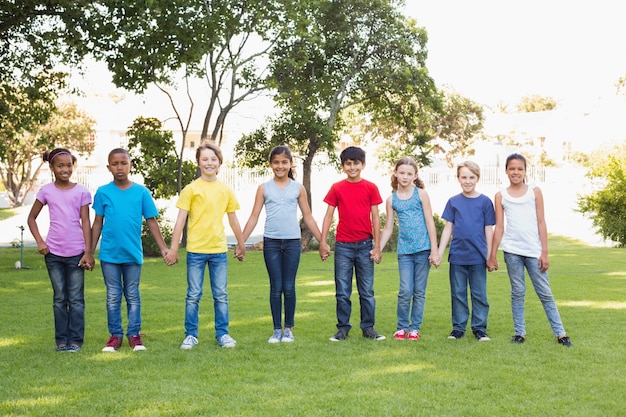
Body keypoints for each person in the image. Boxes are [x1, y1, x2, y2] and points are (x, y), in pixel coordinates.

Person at [242, 145, 329, 343]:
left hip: (292, 243)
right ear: (271, 164)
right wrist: (241, 242)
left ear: (290, 164)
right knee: (276, 286)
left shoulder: (298, 188)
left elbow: (308, 216)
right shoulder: (264, 188)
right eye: (276, 162)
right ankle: (276, 330)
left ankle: (288, 329)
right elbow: (253, 217)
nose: (280, 166)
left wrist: (322, 241)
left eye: (284, 162)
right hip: (271, 243)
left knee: (288, 286)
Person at [165, 142, 245, 350]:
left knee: (221, 294)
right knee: (193, 294)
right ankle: (191, 334)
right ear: (198, 163)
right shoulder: (191, 190)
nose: (209, 163)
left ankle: (223, 334)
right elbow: (180, 220)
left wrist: (241, 243)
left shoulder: (225, 191)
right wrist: (173, 249)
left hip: (218, 251)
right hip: (196, 251)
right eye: (205, 159)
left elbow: (233, 219)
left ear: (219, 163)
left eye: (213, 159)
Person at [487, 153, 572, 347]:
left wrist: (545, 252)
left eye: (519, 169)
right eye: (512, 169)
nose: (515, 172)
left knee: (545, 293)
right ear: (506, 171)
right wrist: (492, 255)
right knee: (518, 292)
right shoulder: (501, 195)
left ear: (525, 171)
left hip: (534, 251)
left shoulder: (535, 191)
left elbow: (541, 222)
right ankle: (519, 332)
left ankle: (561, 333)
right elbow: (499, 227)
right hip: (512, 251)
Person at [91, 148, 169, 352]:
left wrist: (163, 249)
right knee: (113, 296)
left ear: (130, 165)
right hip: (109, 255)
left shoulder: (141, 192)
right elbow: (97, 223)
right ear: (109, 167)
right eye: (115, 164)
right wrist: (89, 252)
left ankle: (134, 335)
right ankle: (115, 336)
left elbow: (151, 221)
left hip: (133, 255)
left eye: (123, 163)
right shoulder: (103, 192)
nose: (119, 167)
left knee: (132, 295)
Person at [27, 148, 94, 352]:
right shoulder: (46, 191)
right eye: (60, 166)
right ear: (52, 168)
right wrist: (40, 242)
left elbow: (85, 221)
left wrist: (88, 251)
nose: (65, 169)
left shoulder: (81, 191)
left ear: (73, 166)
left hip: (77, 254)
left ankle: (75, 340)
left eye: (68, 165)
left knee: (75, 299)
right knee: (59, 299)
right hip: (54, 254)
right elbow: (31, 218)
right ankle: (61, 341)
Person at [319, 146, 385, 342]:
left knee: (367, 291)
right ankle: (342, 329)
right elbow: (328, 215)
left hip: (365, 246)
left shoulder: (370, 187)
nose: (352, 167)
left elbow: (375, 217)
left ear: (363, 165)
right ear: (343, 166)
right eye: (348, 163)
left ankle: (368, 328)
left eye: (356, 163)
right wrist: (323, 242)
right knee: (342, 291)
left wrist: (377, 246)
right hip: (343, 247)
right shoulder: (337, 188)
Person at [379, 157, 440, 341]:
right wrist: (378, 249)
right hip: (404, 251)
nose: (405, 177)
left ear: (415, 176)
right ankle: (401, 327)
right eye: (402, 173)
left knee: (419, 291)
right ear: (395, 173)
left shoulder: (421, 194)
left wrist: (434, 250)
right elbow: (388, 227)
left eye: (409, 174)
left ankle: (414, 328)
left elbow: (430, 222)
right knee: (405, 290)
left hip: (423, 249)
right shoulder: (392, 200)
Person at [437, 161, 495, 342]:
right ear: (458, 179)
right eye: (464, 177)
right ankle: (458, 328)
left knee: (479, 294)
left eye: (471, 177)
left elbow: (488, 229)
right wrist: (439, 252)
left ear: (477, 178)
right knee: (458, 293)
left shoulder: (485, 202)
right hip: (457, 257)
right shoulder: (454, 202)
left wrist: (490, 255)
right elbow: (448, 228)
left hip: (478, 257)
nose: (468, 181)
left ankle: (479, 329)